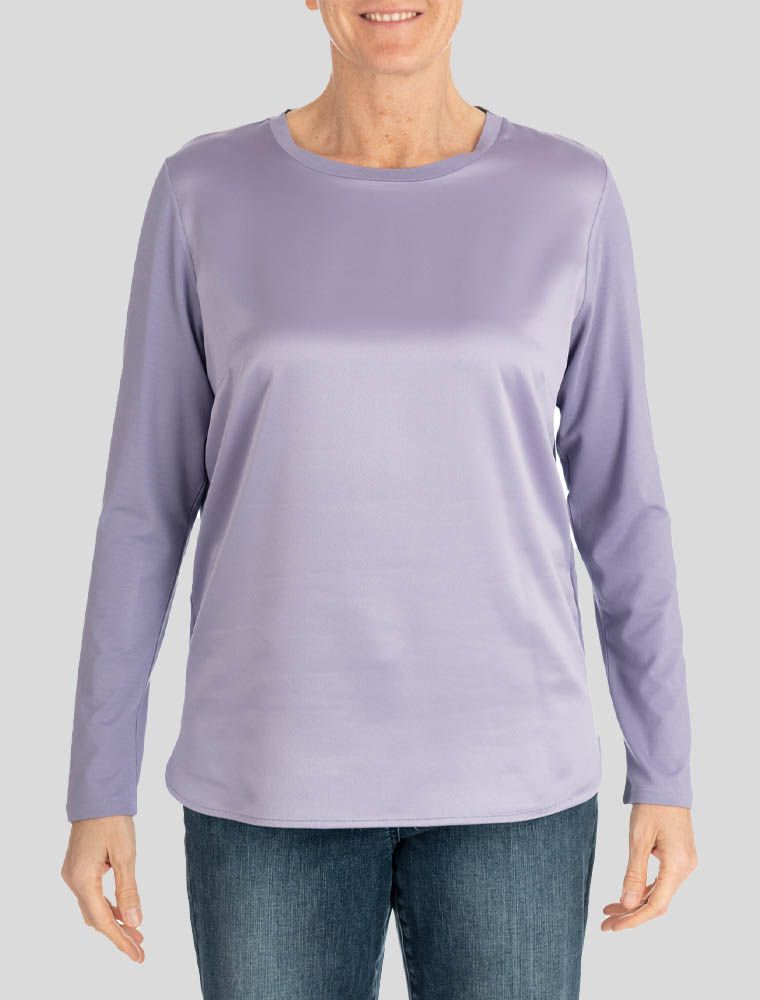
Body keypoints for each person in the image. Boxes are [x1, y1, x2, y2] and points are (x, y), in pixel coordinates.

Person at [61, 2, 698, 997]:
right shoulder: (204, 191)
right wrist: (99, 782)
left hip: (512, 787)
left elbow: (624, 505)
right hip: (266, 784)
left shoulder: (568, 193)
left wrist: (664, 767)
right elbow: (143, 507)